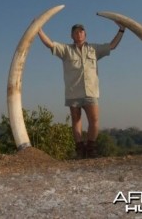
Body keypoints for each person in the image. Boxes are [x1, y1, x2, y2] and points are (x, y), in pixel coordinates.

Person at [38, 22, 125, 159]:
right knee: (76, 120)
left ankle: (91, 148)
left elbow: (112, 46)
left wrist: (121, 30)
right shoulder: (66, 50)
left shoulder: (94, 49)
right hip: (73, 92)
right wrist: (38, 29)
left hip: (91, 91)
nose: (79, 34)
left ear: (85, 34)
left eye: (81, 31)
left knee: (94, 120)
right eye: (76, 32)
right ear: (72, 35)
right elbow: (50, 44)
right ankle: (80, 149)